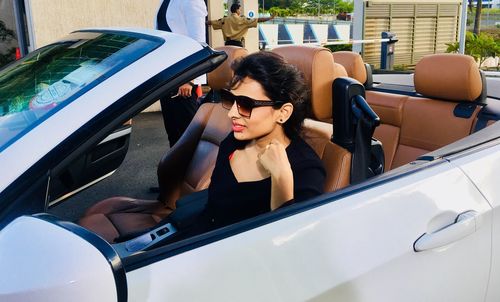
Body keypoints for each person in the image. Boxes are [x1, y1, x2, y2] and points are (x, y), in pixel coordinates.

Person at [179, 51, 326, 235]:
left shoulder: (306, 170)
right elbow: (212, 212)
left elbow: (288, 245)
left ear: (283, 113)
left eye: (245, 104)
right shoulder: (232, 141)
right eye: (231, 99)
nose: (232, 113)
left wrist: (281, 178)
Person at [156, 0, 207, 146]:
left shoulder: (192, 1)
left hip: (183, 79)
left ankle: (194, 168)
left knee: (187, 136)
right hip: (167, 78)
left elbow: (198, 43)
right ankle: (177, 168)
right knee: (173, 134)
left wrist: (190, 79)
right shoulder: (165, 1)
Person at [207, 3, 274, 47]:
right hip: (238, 44)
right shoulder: (243, 20)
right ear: (237, 10)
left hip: (227, 44)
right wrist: (270, 18)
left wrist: (204, 22)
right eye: (240, 9)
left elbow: (212, 22)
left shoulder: (224, 20)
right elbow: (258, 20)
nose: (241, 11)